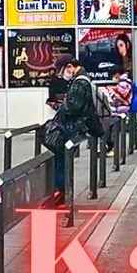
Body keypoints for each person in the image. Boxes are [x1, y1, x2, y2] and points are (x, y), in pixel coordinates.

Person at [46, 57, 103, 204]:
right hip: (79, 125)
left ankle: (61, 192)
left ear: (70, 66)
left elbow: (72, 108)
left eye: (62, 71)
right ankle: (61, 192)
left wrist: (58, 106)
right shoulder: (84, 79)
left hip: (73, 127)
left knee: (59, 158)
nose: (63, 75)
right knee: (60, 158)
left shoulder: (79, 82)